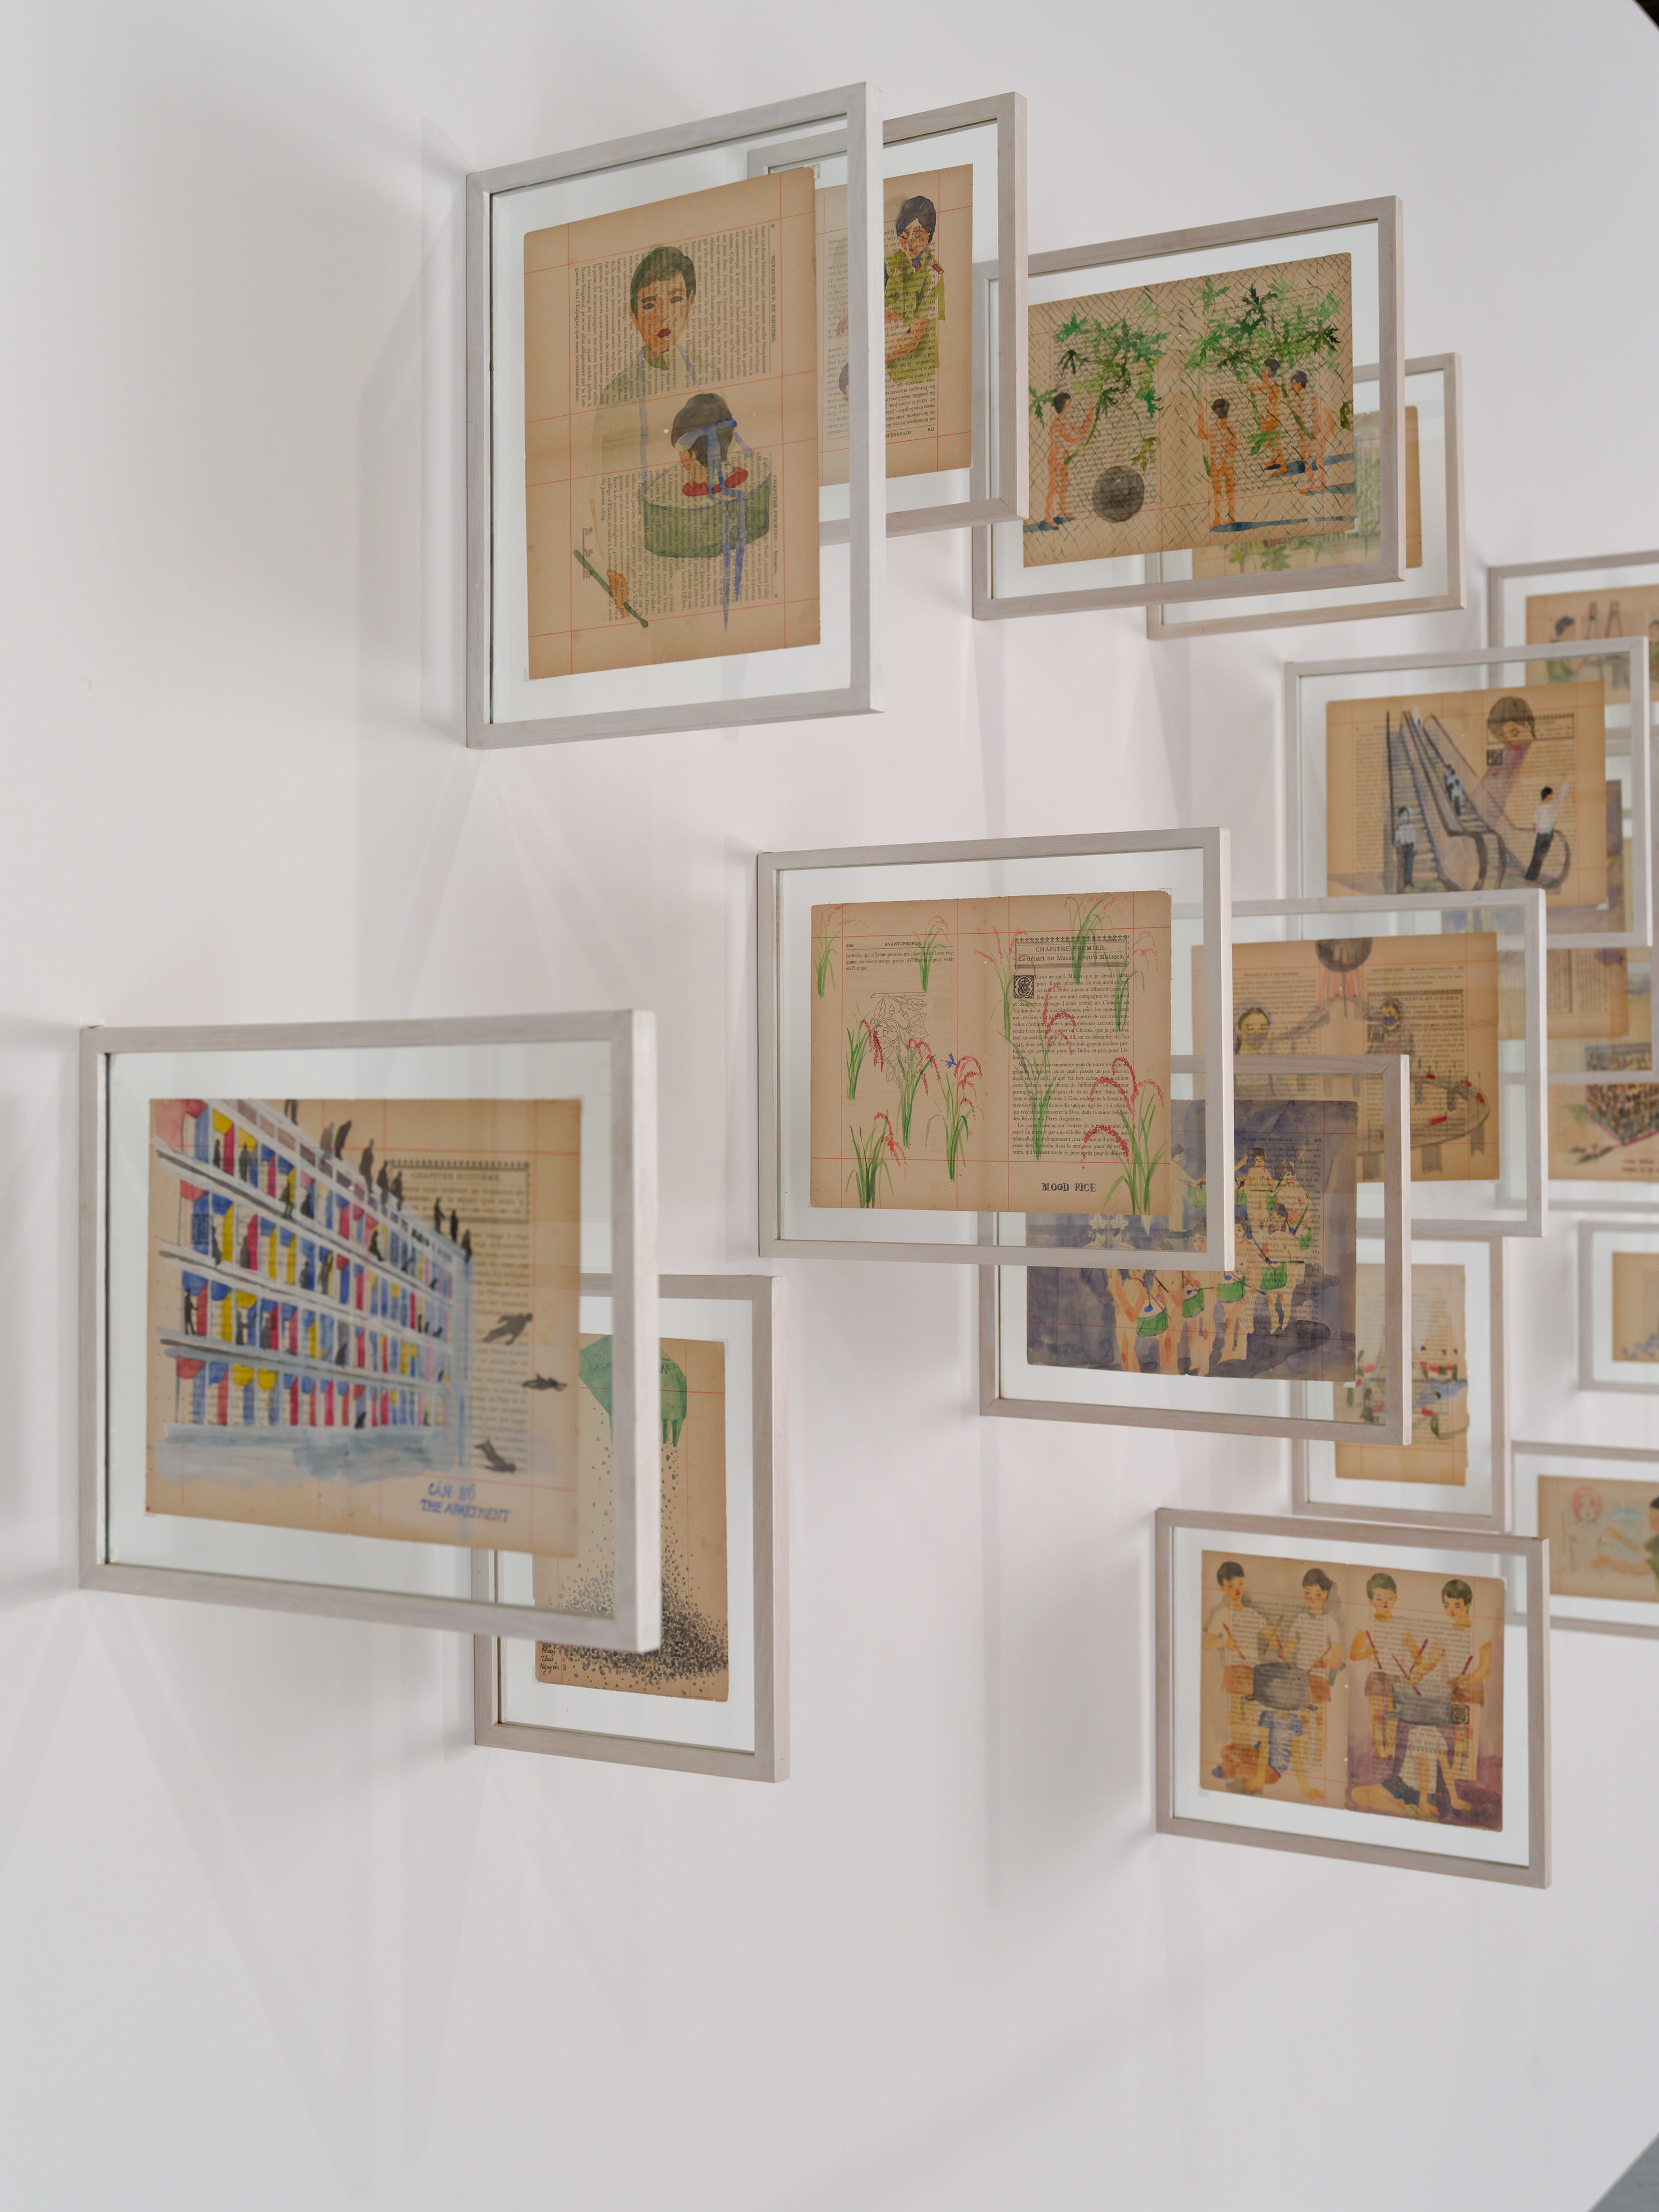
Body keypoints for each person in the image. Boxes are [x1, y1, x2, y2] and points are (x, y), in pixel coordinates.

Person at [1203, 1562, 1272, 1789]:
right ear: (1223, 1588)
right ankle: (1236, 1762)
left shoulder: (1252, 1615)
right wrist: (1224, 1642)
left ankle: (1242, 1764)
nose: (1237, 1589)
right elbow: (1208, 1642)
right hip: (1234, 1671)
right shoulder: (1221, 1614)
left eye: (1241, 1584)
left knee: (1250, 1715)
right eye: (1231, 1586)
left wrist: (1274, 1637)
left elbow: (1270, 1634)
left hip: (1251, 1671)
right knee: (1236, 1716)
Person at [1279, 1568, 1341, 1802]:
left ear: (1325, 1594)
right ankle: (1305, 1752)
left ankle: (1318, 1756)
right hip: (1302, 1678)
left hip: (1320, 1678)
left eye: (1317, 1593)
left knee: (1320, 1719)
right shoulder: (1299, 1620)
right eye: (1307, 1593)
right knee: (1304, 1719)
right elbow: (1292, 1645)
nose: (1312, 1598)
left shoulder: (1331, 1623)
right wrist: (1286, 1652)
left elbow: (1337, 1658)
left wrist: (1324, 1662)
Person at [884, 195, 945, 385]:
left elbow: (915, 337)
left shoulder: (934, 274)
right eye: (904, 236)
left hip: (918, 370)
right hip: (890, 361)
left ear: (929, 234)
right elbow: (889, 311)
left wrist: (877, 359)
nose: (910, 243)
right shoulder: (896, 262)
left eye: (917, 236)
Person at [1039, 391, 1097, 530]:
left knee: (1064, 485)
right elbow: (1072, 438)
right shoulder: (1057, 423)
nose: (1071, 407)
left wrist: (1090, 413)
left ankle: (1062, 512)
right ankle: (1048, 517)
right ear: (1063, 406)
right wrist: (1081, 437)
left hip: (1064, 457)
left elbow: (1080, 430)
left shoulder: (1066, 421)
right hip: (1055, 458)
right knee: (1054, 487)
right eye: (1068, 405)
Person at [1288, 368, 1336, 493]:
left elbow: (1316, 416)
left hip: (1316, 432)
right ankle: (1311, 484)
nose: (1291, 387)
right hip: (1307, 433)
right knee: (1307, 458)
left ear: (1299, 383)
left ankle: (1322, 484)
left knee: (1318, 457)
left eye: (1293, 384)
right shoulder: (1298, 399)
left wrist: (1314, 432)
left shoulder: (1310, 397)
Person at [1201, 396, 1237, 528]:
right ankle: (1217, 518)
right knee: (1217, 491)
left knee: (1229, 490)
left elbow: (1233, 448)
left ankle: (1231, 517)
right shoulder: (1214, 429)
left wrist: (1224, 461)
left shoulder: (1230, 430)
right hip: (1215, 462)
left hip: (1227, 463)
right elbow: (1202, 434)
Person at [1526, 783, 1565, 881]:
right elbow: (1535, 826)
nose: (1552, 797)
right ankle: (1530, 877)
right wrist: (1536, 839)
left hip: (1546, 837)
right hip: (1542, 837)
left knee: (1539, 858)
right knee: (1537, 858)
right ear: (1548, 795)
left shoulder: (1546, 808)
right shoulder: (1541, 810)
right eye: (1551, 795)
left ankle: (1532, 877)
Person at [1253, 359, 1286, 472]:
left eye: (1263, 371)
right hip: (1266, 417)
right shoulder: (1266, 385)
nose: (1261, 373)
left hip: (1271, 417)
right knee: (1270, 441)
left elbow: (1274, 403)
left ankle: (1283, 465)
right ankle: (1274, 460)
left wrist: (1267, 417)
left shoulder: (1273, 386)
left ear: (1269, 372)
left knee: (1274, 440)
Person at [1394, 804, 1417, 889]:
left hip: (1410, 846)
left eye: (1406, 815)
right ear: (1400, 816)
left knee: (1410, 864)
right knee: (1404, 865)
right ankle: (1405, 881)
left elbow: (1414, 837)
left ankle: (1410, 880)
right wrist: (1399, 845)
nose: (1405, 817)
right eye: (1403, 815)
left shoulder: (1411, 826)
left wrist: (1415, 847)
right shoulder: (1399, 827)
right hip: (1403, 847)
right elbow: (1396, 840)